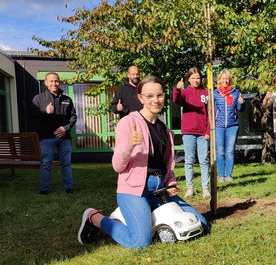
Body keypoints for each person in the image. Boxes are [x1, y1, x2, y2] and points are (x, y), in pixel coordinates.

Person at [78, 76, 208, 248]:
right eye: (150, 96)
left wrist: (171, 182)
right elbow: (117, 165)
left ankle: (151, 221)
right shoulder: (128, 123)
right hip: (134, 190)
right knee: (140, 242)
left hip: (160, 189)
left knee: (201, 224)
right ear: (140, 98)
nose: (156, 100)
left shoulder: (166, 131)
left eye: (160, 95)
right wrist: (130, 144)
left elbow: (167, 166)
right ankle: (95, 218)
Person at [30, 72, 77, 195]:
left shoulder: (67, 99)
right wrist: (44, 111)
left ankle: (69, 188)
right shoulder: (38, 98)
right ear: (46, 83)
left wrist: (65, 128)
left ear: (59, 82)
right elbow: (32, 114)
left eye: (56, 81)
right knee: (46, 163)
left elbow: (73, 117)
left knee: (66, 163)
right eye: (51, 81)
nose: (54, 83)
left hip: (64, 137)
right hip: (47, 137)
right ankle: (45, 188)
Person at [173, 68, 211, 198]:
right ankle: (190, 187)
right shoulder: (184, 92)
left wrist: (208, 131)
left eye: (198, 78)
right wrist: (177, 90)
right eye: (193, 78)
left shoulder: (205, 93)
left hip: (202, 133)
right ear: (188, 79)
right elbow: (177, 101)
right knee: (189, 160)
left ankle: (205, 188)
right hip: (188, 132)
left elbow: (210, 113)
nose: (196, 80)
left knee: (204, 160)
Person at [213, 70, 244, 183]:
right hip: (219, 126)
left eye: (227, 79)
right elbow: (213, 109)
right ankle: (221, 175)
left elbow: (240, 109)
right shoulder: (215, 93)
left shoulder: (235, 92)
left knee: (230, 151)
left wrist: (241, 102)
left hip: (232, 126)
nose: (225, 80)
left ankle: (229, 175)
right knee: (220, 151)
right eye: (223, 78)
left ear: (229, 80)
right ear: (219, 80)